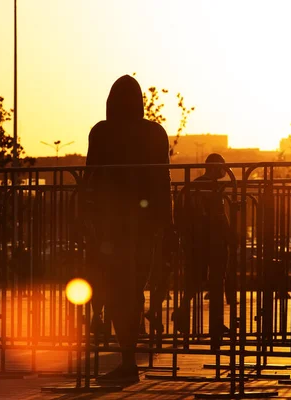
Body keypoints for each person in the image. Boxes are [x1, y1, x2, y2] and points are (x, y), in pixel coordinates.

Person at [84, 75, 171, 382]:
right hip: (146, 224)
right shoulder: (155, 133)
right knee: (134, 289)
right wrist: (168, 226)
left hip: (112, 224)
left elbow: (89, 179)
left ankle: (128, 360)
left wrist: (84, 217)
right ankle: (128, 358)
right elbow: (164, 184)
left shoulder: (102, 132)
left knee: (120, 289)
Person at [173, 153, 235, 348]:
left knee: (195, 279)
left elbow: (180, 213)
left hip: (194, 240)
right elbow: (218, 215)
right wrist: (230, 235)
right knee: (217, 281)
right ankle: (215, 325)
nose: (225, 171)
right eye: (222, 167)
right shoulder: (213, 188)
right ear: (215, 166)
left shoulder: (192, 186)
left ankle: (183, 312)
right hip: (213, 240)